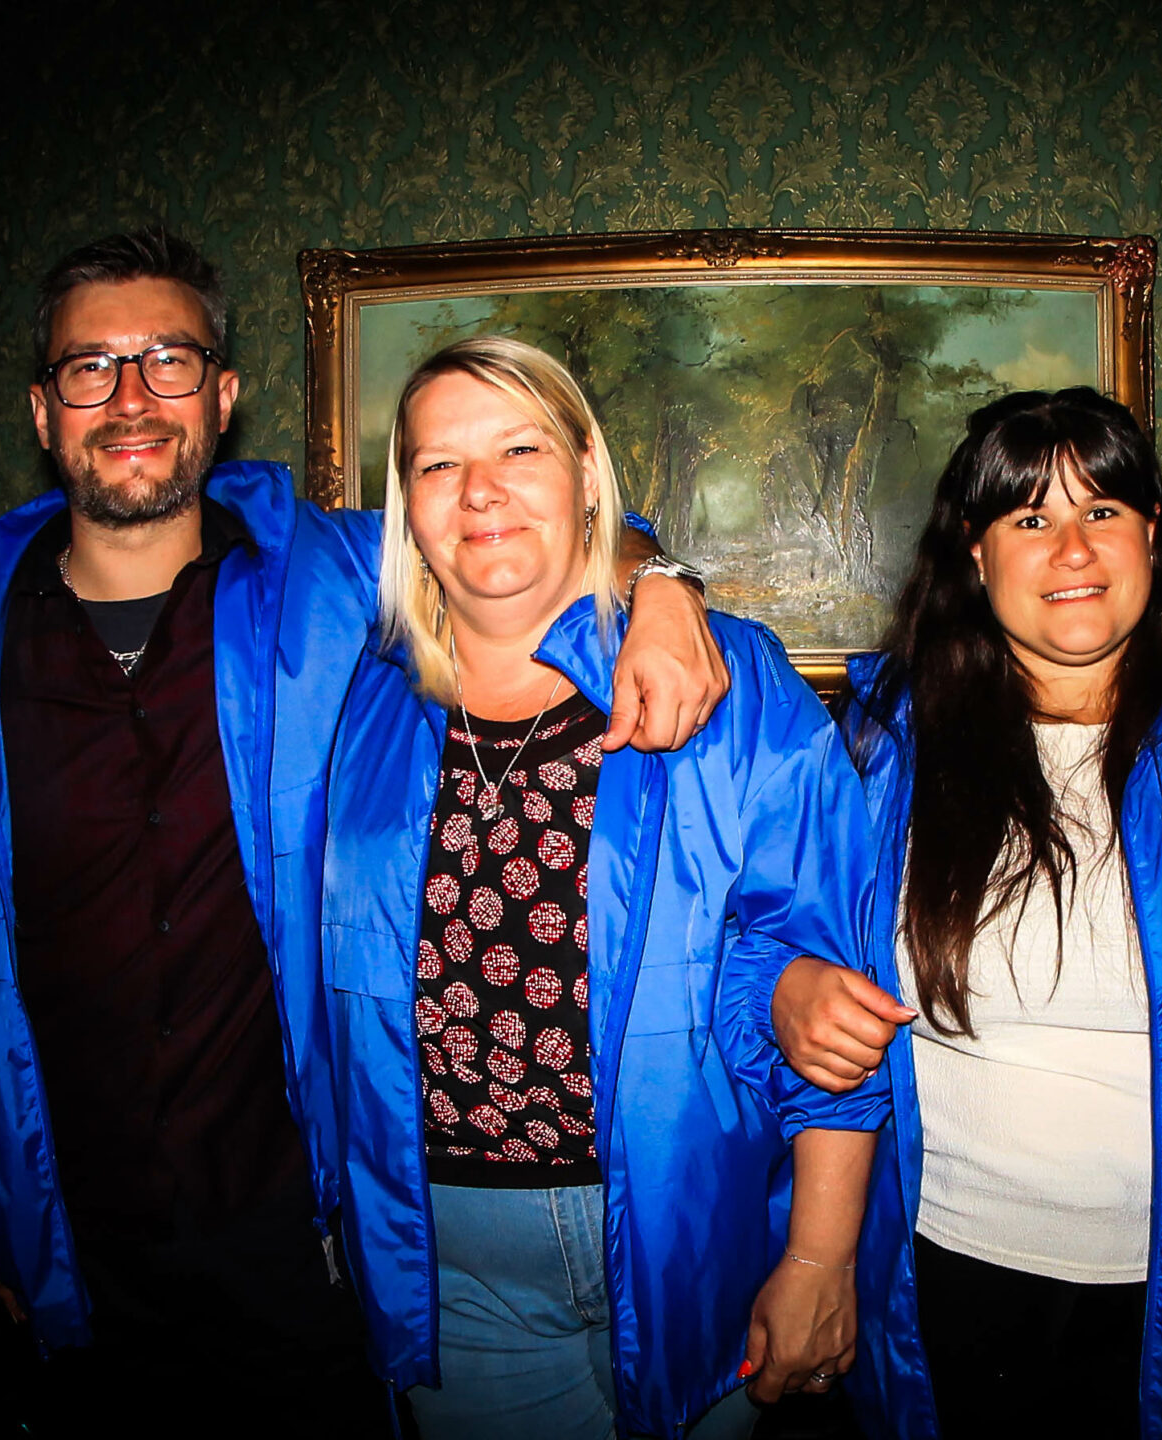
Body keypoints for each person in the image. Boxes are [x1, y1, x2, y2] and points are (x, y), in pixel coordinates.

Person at [0, 231, 726, 1433]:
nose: (129, 397)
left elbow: (519, 531)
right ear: (43, 411)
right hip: (71, 1251)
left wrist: (664, 580)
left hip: (304, 1249)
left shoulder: (329, 585)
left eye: (168, 360)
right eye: (89, 367)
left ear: (222, 396)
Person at [767, 389, 1162, 1439]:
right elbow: (766, 947)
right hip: (936, 1284)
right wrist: (786, 987)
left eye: (1102, 510)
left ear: (1152, 533)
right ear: (976, 554)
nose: (1073, 549)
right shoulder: (880, 746)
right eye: (1031, 517)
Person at [315, 336, 886, 1440]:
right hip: (456, 1263)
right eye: (438, 464)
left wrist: (820, 1258)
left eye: (520, 449)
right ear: (406, 505)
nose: (480, 490)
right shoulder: (347, 698)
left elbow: (833, 986)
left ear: (586, 473)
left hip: (699, 1231)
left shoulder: (731, 680)